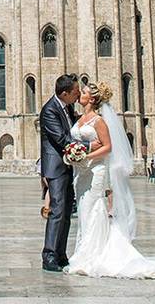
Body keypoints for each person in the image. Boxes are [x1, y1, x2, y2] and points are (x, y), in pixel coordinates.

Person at [64, 81, 155, 280]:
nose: (80, 94)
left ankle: (90, 257)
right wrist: (76, 154)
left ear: (92, 99)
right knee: (86, 211)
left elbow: (108, 147)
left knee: (93, 210)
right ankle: (85, 254)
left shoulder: (99, 120)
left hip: (95, 171)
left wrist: (85, 156)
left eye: (84, 92)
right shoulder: (78, 118)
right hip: (81, 173)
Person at [40, 74, 89, 272]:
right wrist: (90, 146)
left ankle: (60, 254)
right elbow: (61, 139)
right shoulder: (49, 110)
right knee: (58, 211)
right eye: (75, 91)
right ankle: (49, 255)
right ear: (64, 93)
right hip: (56, 168)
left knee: (66, 211)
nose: (78, 94)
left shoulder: (67, 107)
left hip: (67, 166)